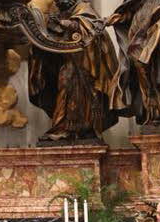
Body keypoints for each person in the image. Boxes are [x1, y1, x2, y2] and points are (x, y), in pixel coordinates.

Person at [28, 0, 119, 142]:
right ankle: (62, 127)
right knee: (64, 86)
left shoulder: (84, 8)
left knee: (76, 90)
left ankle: (82, 128)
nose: (59, 2)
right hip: (67, 62)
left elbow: (90, 28)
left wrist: (64, 24)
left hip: (85, 65)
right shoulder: (57, 13)